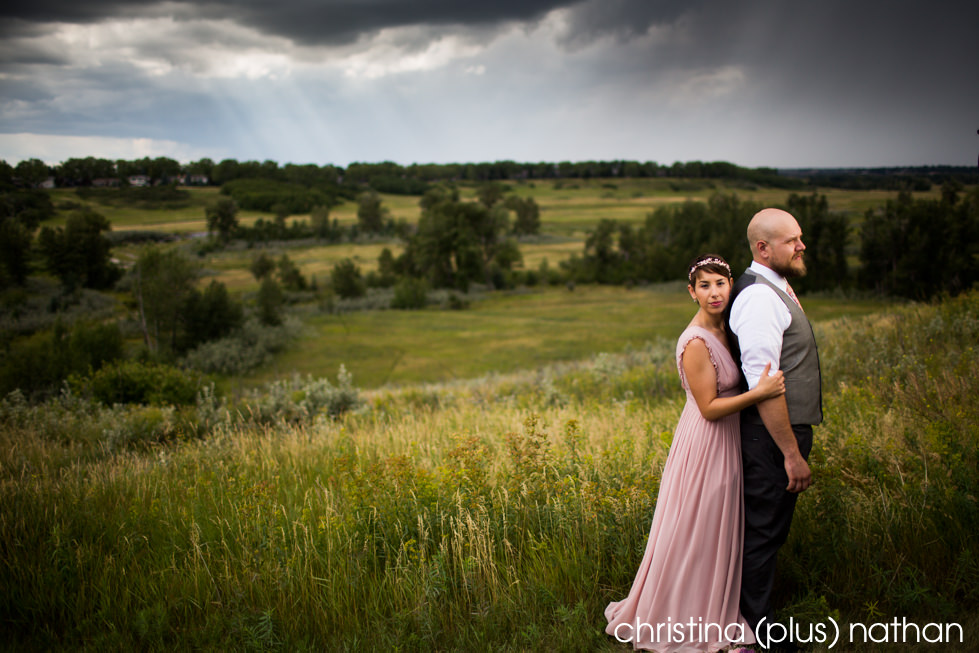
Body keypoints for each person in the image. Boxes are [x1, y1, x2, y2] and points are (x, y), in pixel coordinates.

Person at [605, 254, 785, 652]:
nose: (714, 292)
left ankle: (713, 604)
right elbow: (709, 407)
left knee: (715, 527)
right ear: (692, 293)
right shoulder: (696, 341)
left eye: (720, 283)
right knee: (697, 529)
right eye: (704, 285)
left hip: (726, 441)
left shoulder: (725, 329)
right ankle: (683, 613)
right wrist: (761, 393)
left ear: (731, 284)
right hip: (706, 441)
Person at [726, 208, 823, 647]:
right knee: (763, 535)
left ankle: (754, 627)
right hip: (770, 438)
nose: (801, 245)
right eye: (792, 240)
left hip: (776, 435)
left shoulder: (776, 286)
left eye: (800, 237)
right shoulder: (760, 298)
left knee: (769, 531)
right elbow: (764, 384)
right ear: (763, 248)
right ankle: (755, 636)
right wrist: (790, 453)